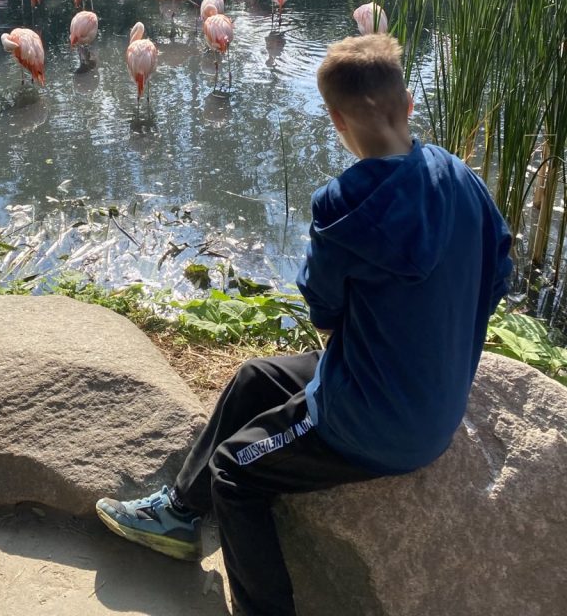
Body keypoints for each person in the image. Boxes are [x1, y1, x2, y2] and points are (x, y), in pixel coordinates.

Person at [96, 33, 512, 616]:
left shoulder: (342, 205)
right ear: (409, 104)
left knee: (234, 472)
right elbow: (498, 274)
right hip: (428, 396)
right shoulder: (461, 178)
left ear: (337, 120)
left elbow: (323, 310)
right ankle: (180, 515)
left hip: (377, 423)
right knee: (255, 377)